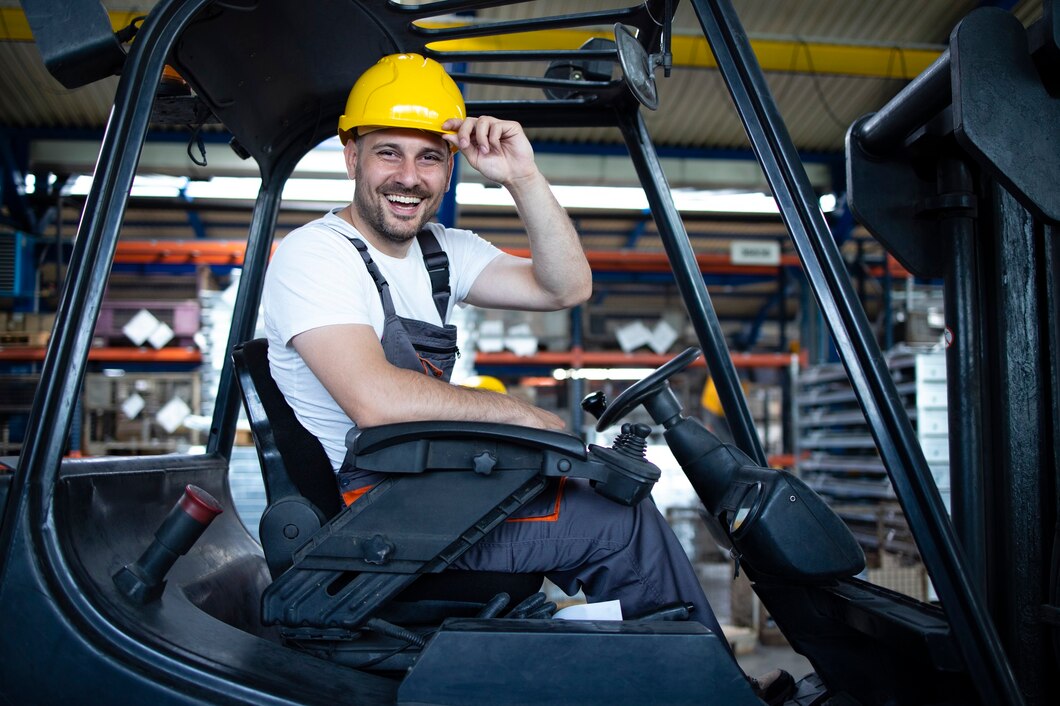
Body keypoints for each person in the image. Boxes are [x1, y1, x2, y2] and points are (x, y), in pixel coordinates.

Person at [261, 53, 727, 640]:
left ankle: (665, 668)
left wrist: (523, 178)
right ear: (352, 155)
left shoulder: (441, 252)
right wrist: (524, 416)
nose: (409, 176)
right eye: (389, 152)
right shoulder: (318, 254)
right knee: (618, 524)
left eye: (430, 156)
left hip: (429, 488)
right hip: (381, 516)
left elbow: (567, 287)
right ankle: (708, 684)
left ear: (450, 167)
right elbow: (375, 399)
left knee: (596, 491)